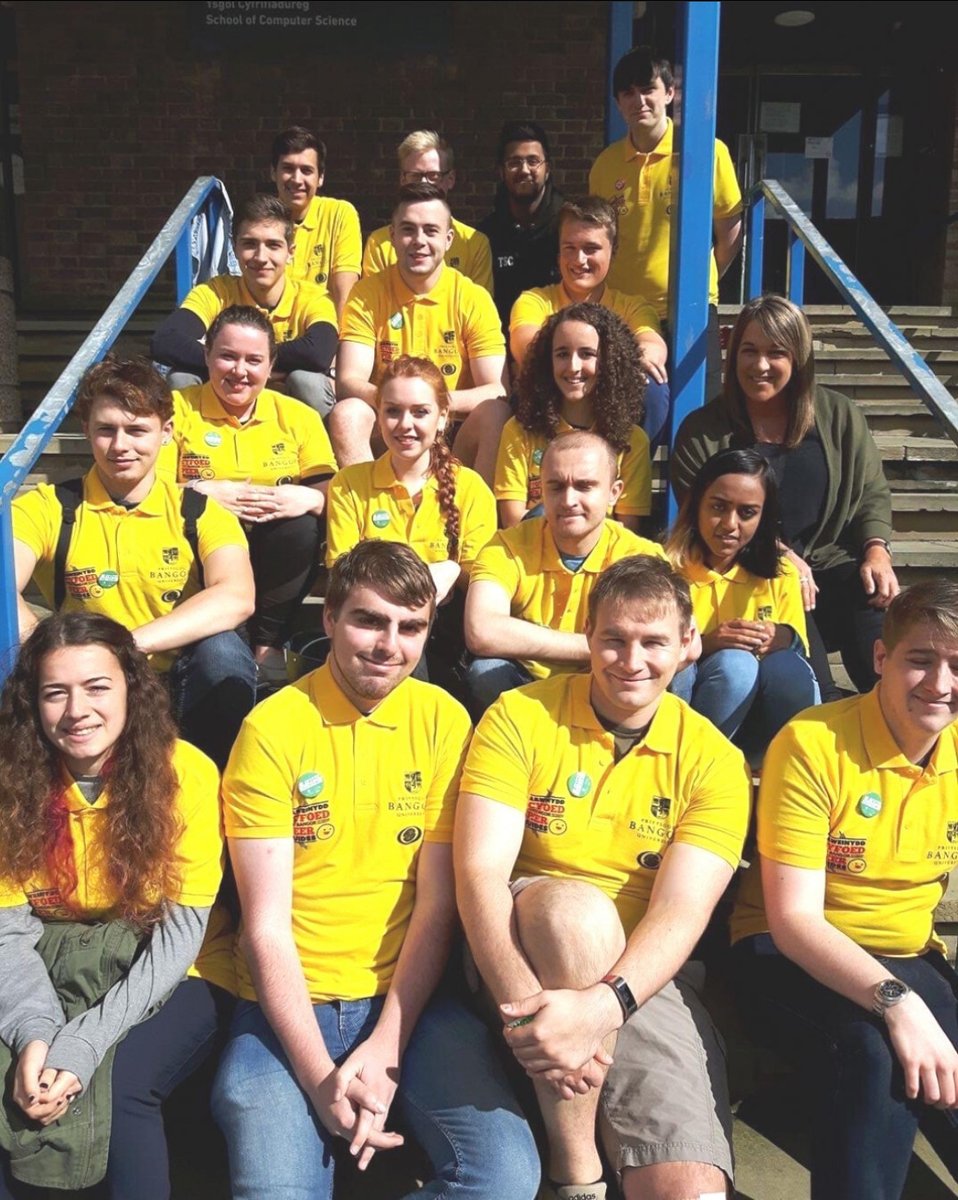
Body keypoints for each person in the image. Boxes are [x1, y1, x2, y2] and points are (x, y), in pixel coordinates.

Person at [212, 541, 540, 1200]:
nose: (389, 644)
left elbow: (437, 907)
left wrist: (388, 1042)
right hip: (285, 1008)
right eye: (369, 620)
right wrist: (316, 1074)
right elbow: (265, 928)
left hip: (408, 1006)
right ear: (329, 617)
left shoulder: (445, 720)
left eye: (410, 626)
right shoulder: (272, 728)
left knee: (504, 1178)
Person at [456, 554, 751, 1200]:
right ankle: (578, 1173)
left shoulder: (715, 762)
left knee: (691, 1191)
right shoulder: (518, 716)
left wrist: (598, 1009)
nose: (631, 660)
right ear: (588, 636)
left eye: (653, 642)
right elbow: (478, 873)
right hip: (515, 946)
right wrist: (525, 1020)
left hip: (636, 973)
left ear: (688, 645)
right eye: (614, 639)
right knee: (576, 913)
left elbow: (680, 912)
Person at [731, 580, 958, 1200]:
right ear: (881, 659)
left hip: (910, 951)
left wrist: (909, 992)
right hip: (787, 950)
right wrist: (897, 1002)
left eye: (957, 666)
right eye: (921, 659)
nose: (940, 684)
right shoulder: (813, 742)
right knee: (877, 1055)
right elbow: (795, 922)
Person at [0, 613, 232, 1200]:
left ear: (132, 686)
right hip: (52, 954)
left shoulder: (185, 775)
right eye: (55, 692)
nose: (78, 710)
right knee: (16, 1073)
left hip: (174, 963)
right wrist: (36, 1031)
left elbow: (180, 937)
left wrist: (80, 1043)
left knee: (122, 1077)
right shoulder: (12, 784)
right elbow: (7, 931)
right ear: (33, 703)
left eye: (97, 686)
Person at [12, 357, 255, 768]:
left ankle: (214, 778)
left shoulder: (198, 512)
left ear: (166, 433)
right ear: (86, 430)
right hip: (84, 687)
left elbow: (236, 596)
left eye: (137, 430)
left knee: (225, 655)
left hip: (175, 679)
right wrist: (56, 651)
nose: (121, 445)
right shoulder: (49, 507)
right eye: (106, 429)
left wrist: (128, 646)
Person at [671, 294, 899, 701]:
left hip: (829, 566)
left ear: (799, 359)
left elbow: (871, 492)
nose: (760, 365)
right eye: (748, 351)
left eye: (776, 353)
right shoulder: (703, 430)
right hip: (753, 577)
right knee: (811, 671)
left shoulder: (840, 417)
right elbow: (705, 519)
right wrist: (781, 555)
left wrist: (877, 550)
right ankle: (825, 718)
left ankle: (898, 706)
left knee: (875, 602)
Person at [169, 305, 338, 687]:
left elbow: (330, 486)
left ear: (271, 364)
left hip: (271, 544)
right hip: (201, 543)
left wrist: (310, 499)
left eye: (254, 359)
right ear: (207, 356)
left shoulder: (297, 415)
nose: (239, 371)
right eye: (227, 356)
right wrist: (202, 491)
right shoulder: (177, 409)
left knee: (302, 528)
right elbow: (152, 489)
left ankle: (268, 643)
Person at [466, 430, 666, 713]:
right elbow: (481, 630)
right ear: (541, 491)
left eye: (584, 486)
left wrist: (606, 655)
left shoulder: (639, 556)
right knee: (486, 670)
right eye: (556, 486)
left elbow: (686, 645)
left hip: (609, 681)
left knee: (677, 673)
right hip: (528, 683)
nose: (568, 500)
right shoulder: (508, 545)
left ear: (614, 493)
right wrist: (600, 647)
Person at [589, 47, 743, 403]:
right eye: (628, 93)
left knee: (702, 411)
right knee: (634, 411)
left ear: (670, 93)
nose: (639, 100)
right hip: (624, 313)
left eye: (648, 89)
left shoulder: (707, 152)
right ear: (617, 103)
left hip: (690, 310)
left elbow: (729, 228)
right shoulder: (605, 165)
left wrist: (707, 277)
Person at [331, 183, 508, 483]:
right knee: (348, 414)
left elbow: (498, 390)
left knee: (495, 414)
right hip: (390, 428)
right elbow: (348, 381)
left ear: (449, 238)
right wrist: (403, 406)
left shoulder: (472, 297)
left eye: (430, 230)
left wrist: (431, 404)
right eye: (408, 230)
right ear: (393, 237)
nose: (419, 241)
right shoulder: (367, 293)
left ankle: (477, 523)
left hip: (451, 428)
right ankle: (371, 510)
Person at [666, 447, 819, 761]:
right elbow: (649, 655)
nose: (729, 524)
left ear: (764, 517)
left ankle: (783, 764)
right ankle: (699, 763)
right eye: (718, 507)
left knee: (788, 667)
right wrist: (707, 644)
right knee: (735, 665)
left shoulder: (782, 572)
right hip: (693, 713)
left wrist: (782, 638)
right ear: (695, 504)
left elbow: (800, 650)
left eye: (747, 512)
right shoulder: (665, 568)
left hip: (761, 715)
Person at [151, 195, 339, 416]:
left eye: (273, 245)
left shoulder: (314, 297)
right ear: (235, 247)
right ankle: (188, 447)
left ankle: (320, 450)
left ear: (291, 252)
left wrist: (240, 363)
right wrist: (240, 368)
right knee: (181, 377)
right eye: (250, 244)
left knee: (307, 382)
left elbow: (318, 353)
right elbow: (165, 341)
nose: (261, 257)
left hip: (288, 412)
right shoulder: (215, 292)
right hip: (227, 398)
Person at [509, 198, 669, 444]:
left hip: (609, 417)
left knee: (652, 386)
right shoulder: (533, 301)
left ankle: (627, 463)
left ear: (613, 251)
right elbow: (529, 350)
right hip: (548, 418)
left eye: (591, 249)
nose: (579, 260)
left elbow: (652, 347)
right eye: (569, 248)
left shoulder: (633, 305)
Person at [495, 304, 651, 532]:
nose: (573, 366)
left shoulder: (632, 441)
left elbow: (626, 533)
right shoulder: (519, 431)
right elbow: (513, 523)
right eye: (562, 354)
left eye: (587, 354)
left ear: (610, 361)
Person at [363, 130, 493, 293]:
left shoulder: (474, 244)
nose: (424, 183)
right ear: (402, 179)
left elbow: (478, 310)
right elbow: (374, 305)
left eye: (433, 175)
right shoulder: (379, 244)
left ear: (450, 179)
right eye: (415, 176)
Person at [477, 120, 567, 330]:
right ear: (501, 171)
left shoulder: (567, 227)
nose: (524, 170)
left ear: (547, 169)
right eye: (514, 162)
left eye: (533, 161)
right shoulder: (487, 235)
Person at [270, 125, 362, 320]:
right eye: (288, 168)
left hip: (322, 333)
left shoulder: (339, 214)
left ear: (320, 178)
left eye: (306, 170)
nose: (297, 179)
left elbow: (344, 293)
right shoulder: (261, 219)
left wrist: (338, 345)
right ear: (273, 172)